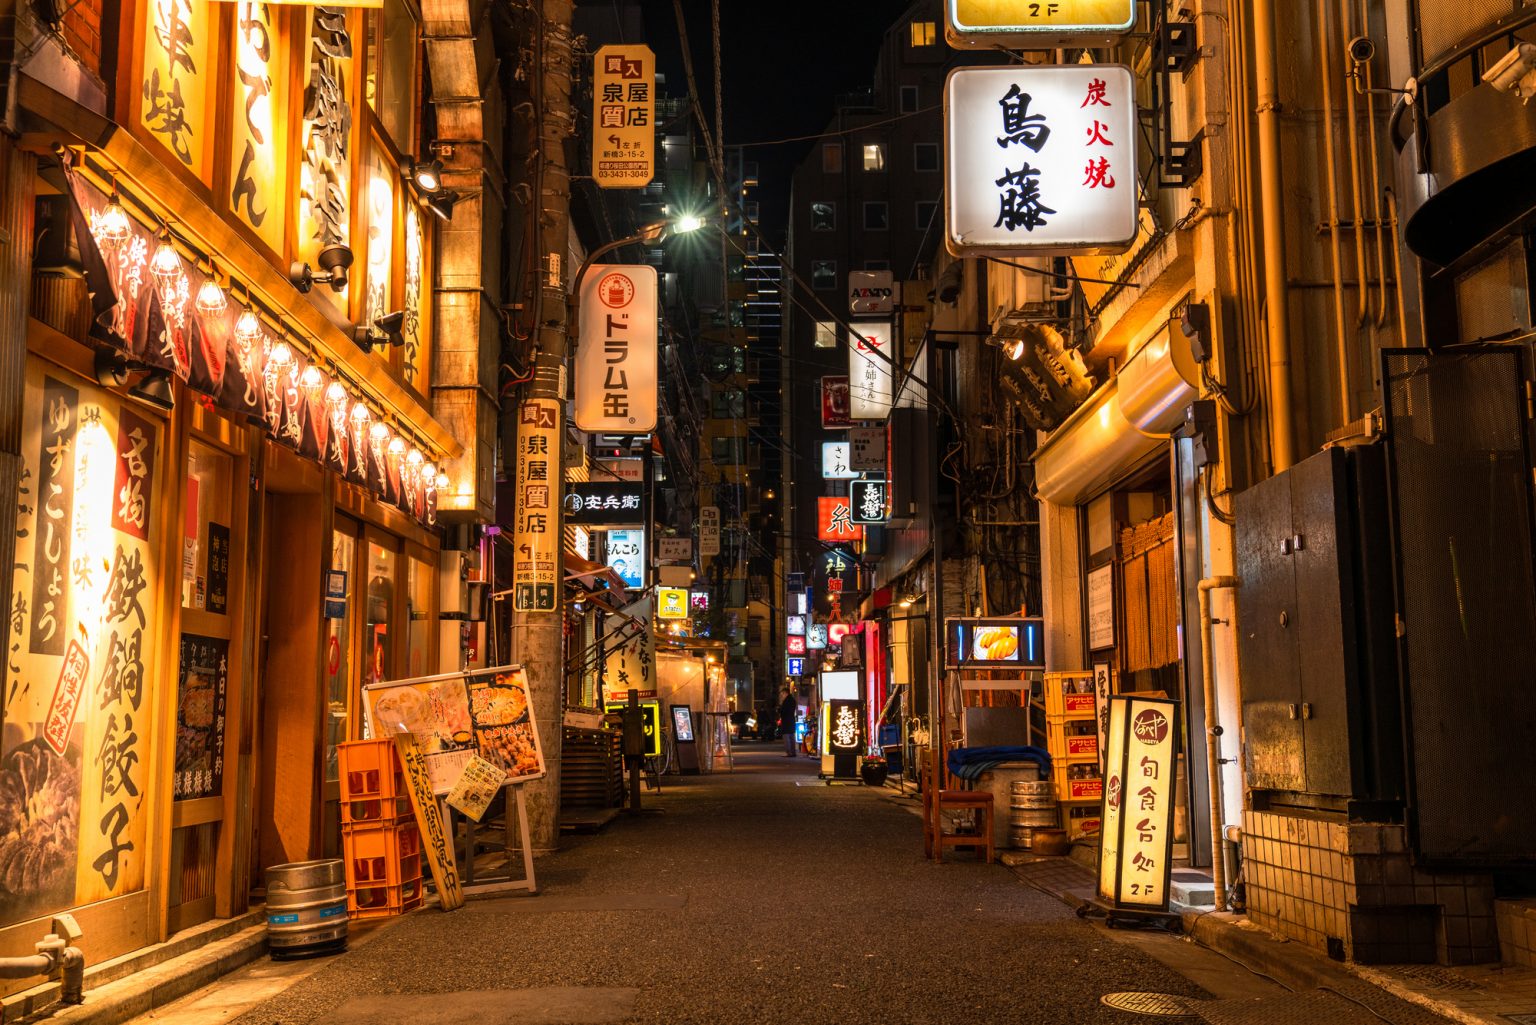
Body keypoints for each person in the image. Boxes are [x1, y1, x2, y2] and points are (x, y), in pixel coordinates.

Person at [778, 686, 798, 757]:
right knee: (791, 736)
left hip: (786, 721)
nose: (781, 695)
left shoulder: (786, 701)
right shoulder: (792, 700)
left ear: (785, 693)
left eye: (782, 694)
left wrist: (780, 709)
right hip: (791, 720)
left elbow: (784, 711)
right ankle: (793, 752)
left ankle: (789, 752)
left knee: (786, 737)